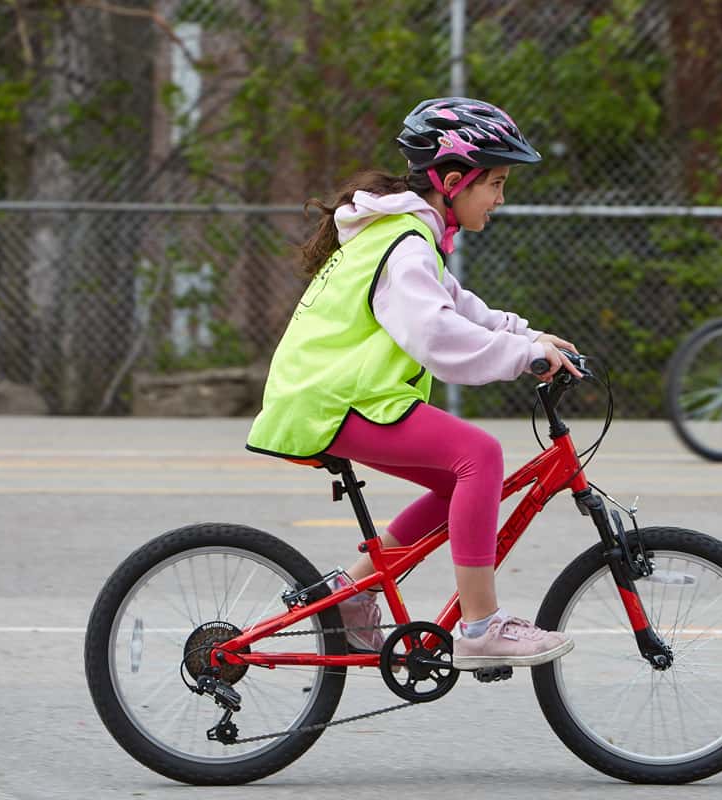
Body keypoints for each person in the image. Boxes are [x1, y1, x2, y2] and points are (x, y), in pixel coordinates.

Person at [246, 97, 580, 669]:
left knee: (462, 482)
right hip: (333, 400)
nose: (500, 198)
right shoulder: (403, 243)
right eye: (495, 183)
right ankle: (480, 627)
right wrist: (523, 356)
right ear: (452, 181)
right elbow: (437, 337)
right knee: (481, 455)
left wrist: (527, 333)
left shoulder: (407, 236)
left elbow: (455, 303)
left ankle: (352, 598)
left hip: (338, 396)